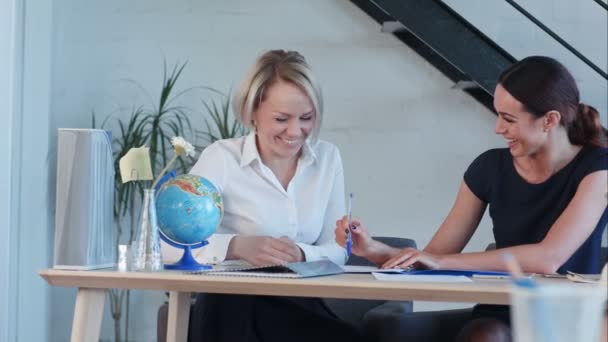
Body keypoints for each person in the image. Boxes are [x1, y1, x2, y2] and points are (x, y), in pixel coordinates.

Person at [335, 56, 608, 341]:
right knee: (484, 335)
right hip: (504, 311)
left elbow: (548, 258)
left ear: (550, 120)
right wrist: (371, 248)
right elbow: (432, 257)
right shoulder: (488, 168)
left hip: (572, 317)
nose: (498, 128)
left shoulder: (598, 168)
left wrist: (440, 261)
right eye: (498, 115)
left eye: (509, 119)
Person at [162, 49, 364, 342]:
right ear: (252, 112)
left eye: (306, 117)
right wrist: (235, 247)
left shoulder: (328, 158)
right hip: (230, 302)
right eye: (282, 119)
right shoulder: (222, 158)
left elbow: (338, 247)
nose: (295, 131)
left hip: (299, 303)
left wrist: (303, 253)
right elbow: (165, 244)